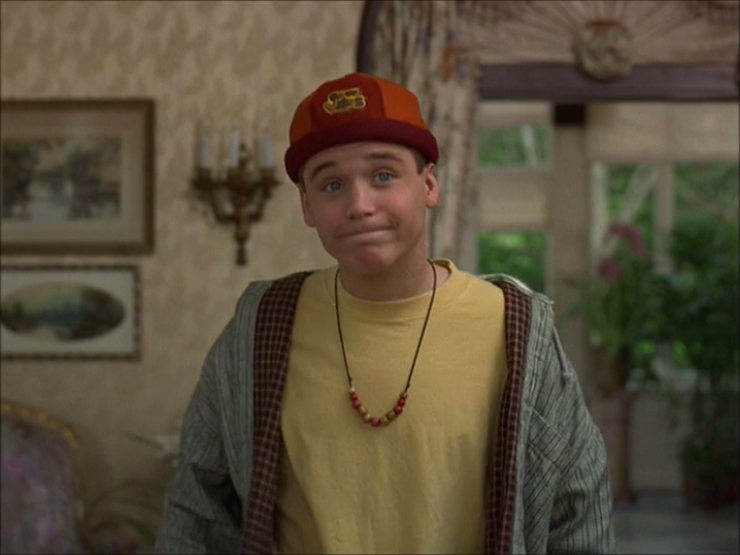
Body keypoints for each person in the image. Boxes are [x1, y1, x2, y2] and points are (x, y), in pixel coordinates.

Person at [154, 72, 616, 555]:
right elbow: (197, 509)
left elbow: (578, 512)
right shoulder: (260, 327)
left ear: (429, 185)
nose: (359, 205)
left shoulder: (516, 329)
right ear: (306, 205)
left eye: (383, 176)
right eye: (332, 184)